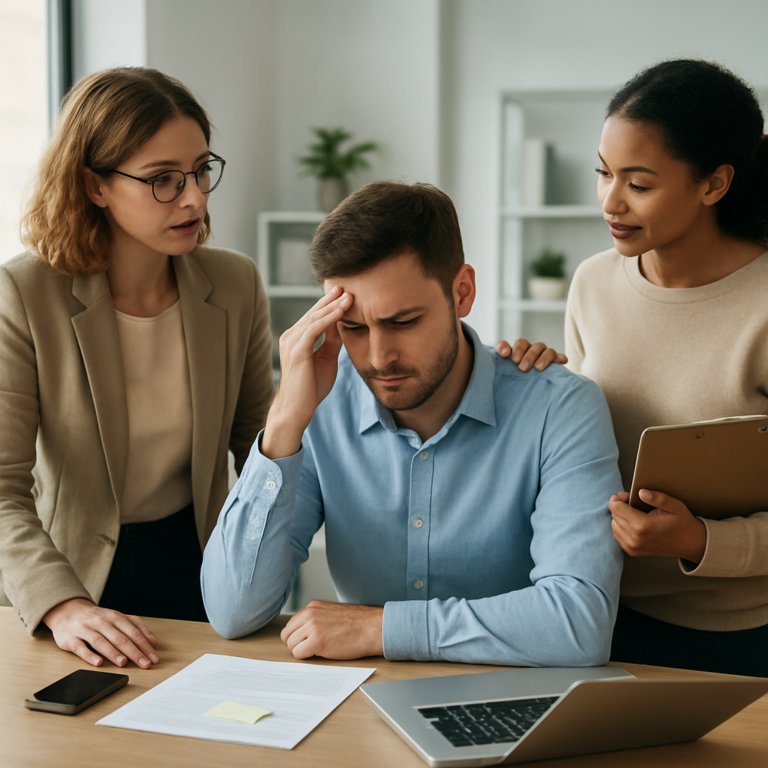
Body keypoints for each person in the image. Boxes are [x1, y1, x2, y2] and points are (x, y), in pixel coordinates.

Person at [202, 181, 623, 666]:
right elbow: (232, 612)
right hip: (360, 700)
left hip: (513, 698)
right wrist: (282, 425)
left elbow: (579, 623)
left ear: (462, 292)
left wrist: (381, 628)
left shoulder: (560, 408)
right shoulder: (320, 406)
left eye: (402, 322)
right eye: (353, 328)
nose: (379, 357)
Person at [0, 68, 274, 670]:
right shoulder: (24, 293)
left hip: (203, 572)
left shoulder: (235, 283)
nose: (194, 198)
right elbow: (1, 490)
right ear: (94, 185)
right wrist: (61, 605)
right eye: (163, 180)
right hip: (69, 583)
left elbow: (260, 445)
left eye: (201, 170)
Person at [504, 59, 768, 676]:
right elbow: (579, 446)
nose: (610, 201)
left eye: (639, 184)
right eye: (603, 173)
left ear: (714, 184)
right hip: (598, 618)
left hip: (744, 638)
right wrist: (538, 382)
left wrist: (700, 541)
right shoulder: (592, 283)